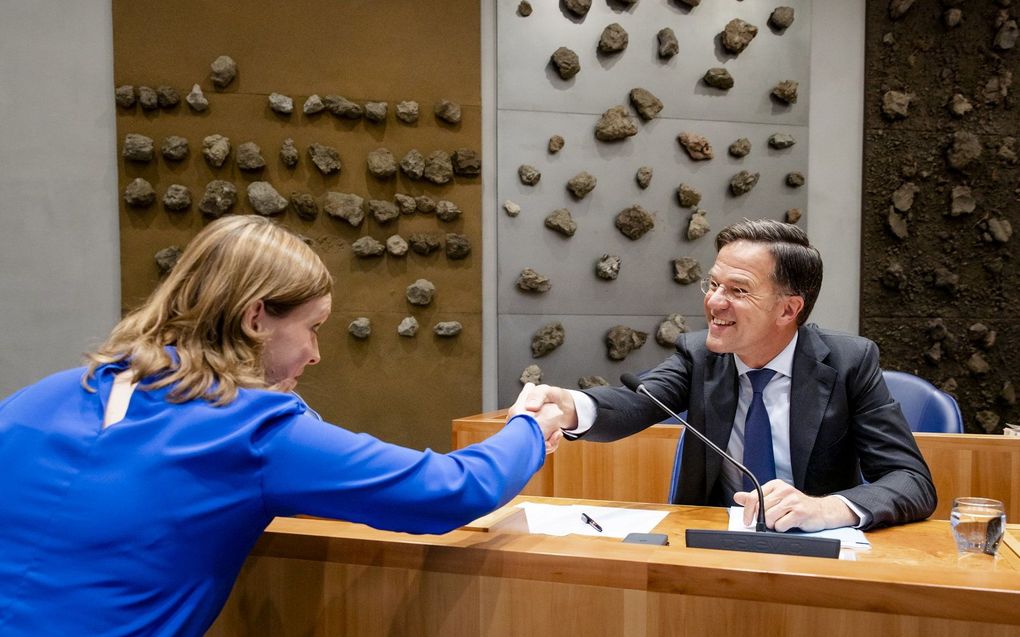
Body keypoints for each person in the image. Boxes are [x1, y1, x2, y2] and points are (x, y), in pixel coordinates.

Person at [0, 215, 561, 636]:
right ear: (254, 318)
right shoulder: (251, 431)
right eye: (313, 328)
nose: (316, 354)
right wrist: (527, 428)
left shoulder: (36, 398)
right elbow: (451, 491)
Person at [527, 219, 936, 533]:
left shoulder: (850, 362)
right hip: (712, 549)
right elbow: (635, 403)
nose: (714, 302)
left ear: (788, 310)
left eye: (738, 291)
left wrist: (827, 508)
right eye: (713, 284)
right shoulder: (700, 356)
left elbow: (911, 481)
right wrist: (569, 406)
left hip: (813, 553)